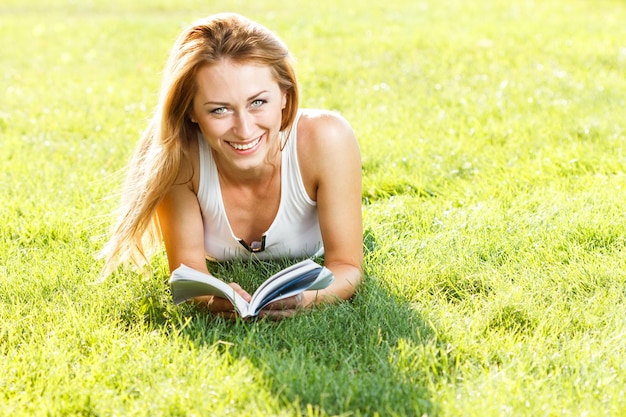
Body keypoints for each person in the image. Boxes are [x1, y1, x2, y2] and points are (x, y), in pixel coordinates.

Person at [100, 13, 363, 319]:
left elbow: (347, 266)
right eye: (220, 109)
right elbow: (188, 274)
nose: (244, 129)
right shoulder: (179, 156)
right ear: (192, 112)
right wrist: (210, 299)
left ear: (284, 95)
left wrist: (310, 298)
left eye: (258, 102)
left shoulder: (326, 139)